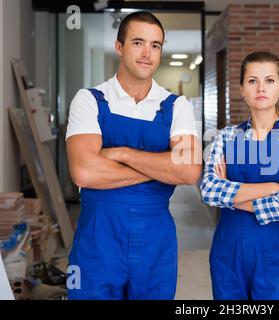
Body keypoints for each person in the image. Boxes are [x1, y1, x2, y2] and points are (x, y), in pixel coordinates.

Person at [65, 11, 202, 300]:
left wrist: (121, 153)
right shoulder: (89, 100)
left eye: (155, 45)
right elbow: (84, 173)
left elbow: (189, 171)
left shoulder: (176, 106)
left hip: (155, 241)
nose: (147, 53)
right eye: (138, 42)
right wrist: (160, 165)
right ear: (119, 47)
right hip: (98, 238)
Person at [200, 51, 279, 300]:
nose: (261, 88)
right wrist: (273, 187)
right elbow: (208, 190)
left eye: (270, 80)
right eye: (252, 81)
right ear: (242, 88)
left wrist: (230, 192)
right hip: (229, 253)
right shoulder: (226, 136)